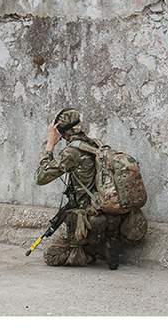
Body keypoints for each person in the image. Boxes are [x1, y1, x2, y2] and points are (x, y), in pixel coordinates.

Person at [34, 107, 147, 269]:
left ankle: (92, 248)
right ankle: (102, 239)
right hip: (111, 214)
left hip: (89, 220)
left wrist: (49, 146)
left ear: (62, 132)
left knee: (51, 256)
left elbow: (40, 177)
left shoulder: (70, 152)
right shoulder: (96, 144)